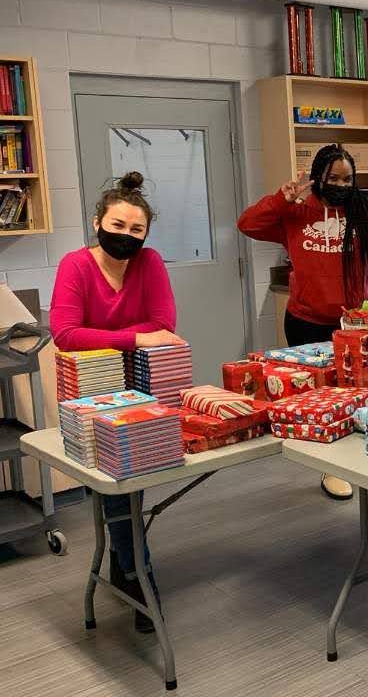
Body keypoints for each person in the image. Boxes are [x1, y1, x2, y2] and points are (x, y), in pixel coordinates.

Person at [238, 145, 368, 499]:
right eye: (333, 178)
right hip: (305, 321)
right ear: (318, 177)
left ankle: (355, 461)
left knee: (356, 397)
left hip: (352, 326)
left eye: (347, 179)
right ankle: (329, 467)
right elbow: (248, 224)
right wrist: (281, 199)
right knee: (319, 401)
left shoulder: (364, 214)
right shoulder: (296, 212)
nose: (340, 185)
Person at [50, 171, 186, 634]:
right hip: (89, 395)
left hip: (143, 390)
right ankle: (138, 577)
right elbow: (65, 334)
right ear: (97, 223)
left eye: (136, 229)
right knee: (119, 486)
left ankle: (123, 564)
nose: (126, 235)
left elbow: (165, 323)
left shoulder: (150, 262)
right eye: (117, 225)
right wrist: (136, 337)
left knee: (127, 488)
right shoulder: (75, 265)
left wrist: (111, 337)